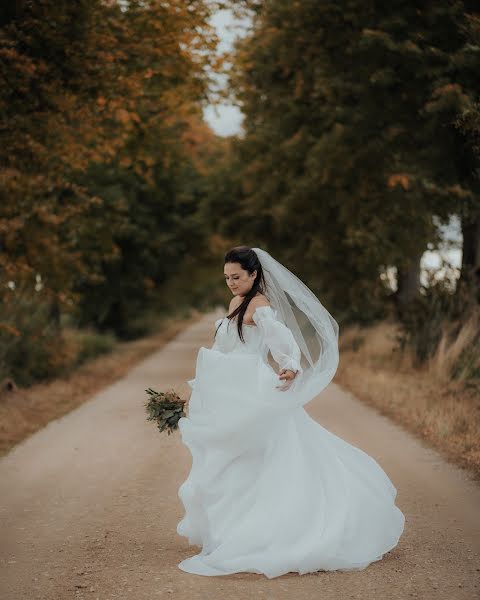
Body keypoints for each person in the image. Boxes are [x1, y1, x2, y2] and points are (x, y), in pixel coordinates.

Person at [176, 245, 405, 578]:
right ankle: (231, 529)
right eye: (226, 278)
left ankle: (269, 529)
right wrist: (202, 387)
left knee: (261, 455)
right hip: (230, 389)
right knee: (230, 460)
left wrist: (289, 365)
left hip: (253, 388)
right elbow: (223, 348)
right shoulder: (235, 303)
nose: (231, 283)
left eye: (237, 277)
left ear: (254, 274)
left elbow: (282, 343)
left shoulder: (261, 306)